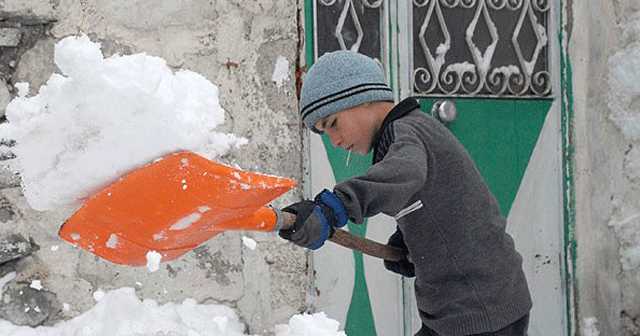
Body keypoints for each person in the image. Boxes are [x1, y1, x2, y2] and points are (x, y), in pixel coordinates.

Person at [279, 50, 532, 336]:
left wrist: (333, 207)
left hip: (477, 309)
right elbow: (441, 199)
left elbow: (404, 174)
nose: (335, 141)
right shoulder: (412, 130)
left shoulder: (405, 132)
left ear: (364, 97)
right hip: (472, 306)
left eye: (333, 123)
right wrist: (413, 242)